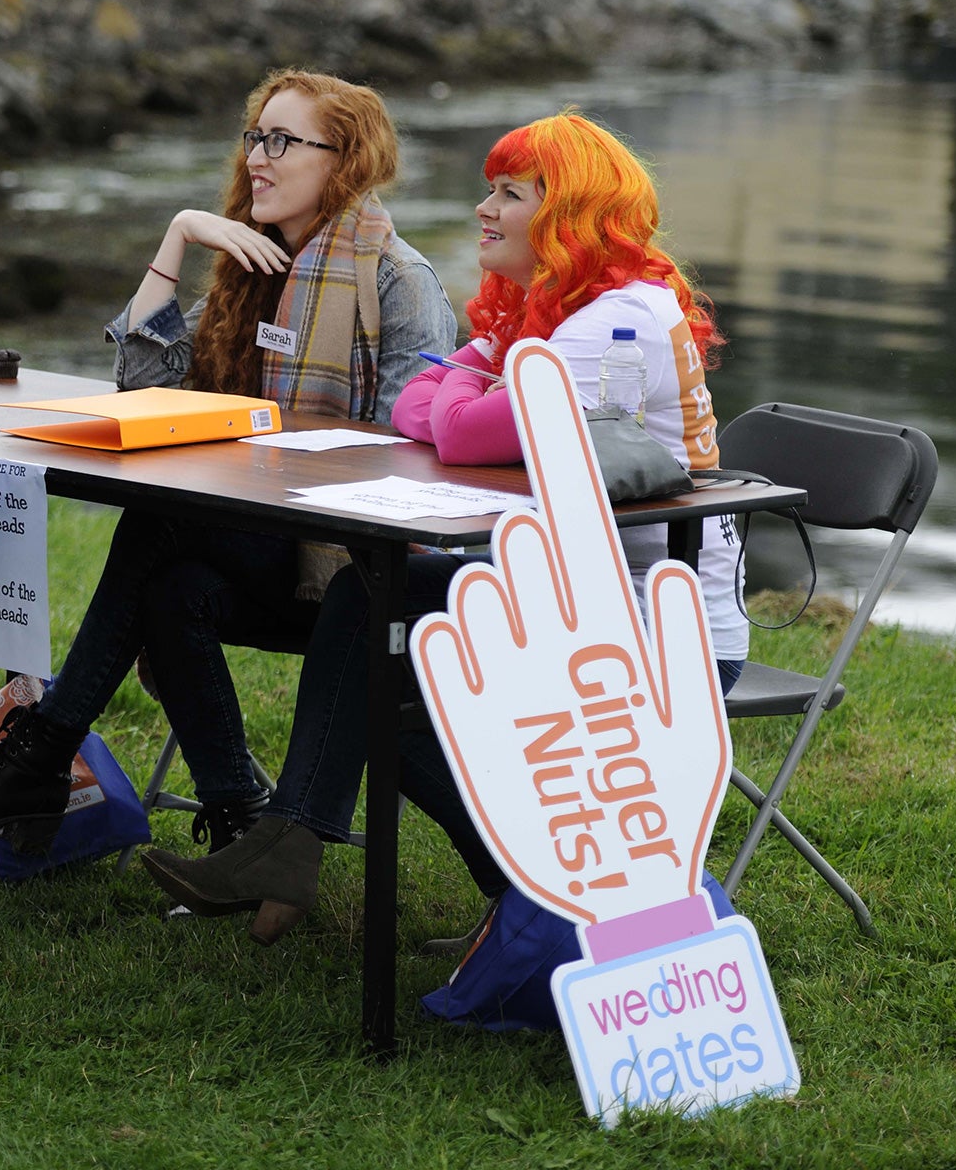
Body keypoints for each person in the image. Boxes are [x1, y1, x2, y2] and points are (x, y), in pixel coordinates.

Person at [138, 111, 744, 943]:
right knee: (369, 607)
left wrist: (466, 398)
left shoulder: (618, 321)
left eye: (510, 193)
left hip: (653, 624)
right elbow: (415, 405)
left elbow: (452, 426)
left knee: (389, 665)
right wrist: (468, 396)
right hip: (566, 595)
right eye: (488, 189)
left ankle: (529, 904)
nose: (483, 210)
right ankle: (318, 849)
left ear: (569, 213)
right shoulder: (551, 310)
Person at [0, 70, 457, 864]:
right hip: (266, 550)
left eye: (285, 141)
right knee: (170, 583)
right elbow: (143, 391)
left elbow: (413, 463)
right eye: (256, 136)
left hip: (353, 580)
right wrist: (178, 238)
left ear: (346, 162)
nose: (259, 157)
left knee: (161, 526)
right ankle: (237, 816)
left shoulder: (398, 281)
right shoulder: (251, 268)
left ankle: (41, 756)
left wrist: (262, 462)